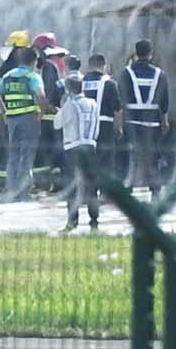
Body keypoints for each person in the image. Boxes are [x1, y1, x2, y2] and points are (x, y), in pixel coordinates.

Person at [0, 47, 51, 202]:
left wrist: (5, 111)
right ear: (34, 61)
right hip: (29, 119)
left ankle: (9, 191)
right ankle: (23, 194)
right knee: (26, 156)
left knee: (13, 156)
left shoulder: (8, 75)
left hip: (12, 120)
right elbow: (41, 96)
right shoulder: (33, 76)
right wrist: (41, 113)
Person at [120, 39, 170, 201]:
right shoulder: (159, 74)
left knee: (131, 155)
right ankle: (155, 190)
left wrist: (120, 123)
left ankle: (128, 188)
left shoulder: (126, 73)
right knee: (153, 156)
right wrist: (164, 121)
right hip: (153, 123)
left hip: (132, 122)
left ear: (136, 53)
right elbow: (164, 101)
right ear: (151, 53)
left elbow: (122, 98)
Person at [55, 74, 102, 232]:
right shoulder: (93, 103)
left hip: (73, 148)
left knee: (71, 185)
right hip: (90, 147)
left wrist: (61, 107)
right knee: (91, 186)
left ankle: (72, 221)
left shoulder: (69, 104)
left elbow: (57, 124)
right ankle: (94, 222)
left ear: (68, 89)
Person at [0, 30, 32, 182]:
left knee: (2, 149)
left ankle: (1, 182)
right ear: (20, 49)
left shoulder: (5, 67)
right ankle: (12, 182)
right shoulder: (18, 70)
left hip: (5, 113)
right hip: (15, 115)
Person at [82, 54, 123, 185]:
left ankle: (88, 188)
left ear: (89, 65)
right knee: (106, 159)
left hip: (85, 125)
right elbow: (118, 109)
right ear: (104, 66)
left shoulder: (81, 82)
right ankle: (105, 190)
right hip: (104, 125)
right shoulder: (110, 84)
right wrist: (119, 127)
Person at [31, 32, 67, 176]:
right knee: (55, 149)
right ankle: (55, 180)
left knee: (44, 150)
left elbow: (48, 90)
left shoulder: (48, 66)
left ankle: (44, 181)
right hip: (55, 114)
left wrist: (42, 111)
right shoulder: (57, 63)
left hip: (48, 115)